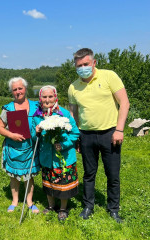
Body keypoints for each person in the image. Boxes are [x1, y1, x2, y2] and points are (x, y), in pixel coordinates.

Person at [68, 48, 130, 223]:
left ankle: (113, 209)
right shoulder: (73, 87)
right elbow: (74, 115)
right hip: (86, 135)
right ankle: (88, 206)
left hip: (110, 133)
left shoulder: (109, 76)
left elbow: (124, 102)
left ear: (94, 63)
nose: (82, 68)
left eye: (86, 64)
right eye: (79, 65)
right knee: (89, 174)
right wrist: (75, 137)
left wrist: (119, 129)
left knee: (113, 174)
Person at [33, 85, 80, 221]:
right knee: (48, 181)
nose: (47, 100)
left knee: (64, 183)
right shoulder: (37, 116)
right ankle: (51, 205)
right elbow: (33, 137)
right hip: (47, 156)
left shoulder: (63, 114)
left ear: (55, 97)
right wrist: (36, 132)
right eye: (44, 97)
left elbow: (75, 132)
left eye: (50, 96)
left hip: (64, 157)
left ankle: (63, 208)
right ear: (40, 98)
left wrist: (63, 145)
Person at [0, 77, 41, 213]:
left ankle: (29, 202)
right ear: (12, 92)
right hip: (13, 148)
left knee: (29, 176)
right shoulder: (8, 108)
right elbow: (0, 127)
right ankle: (15, 201)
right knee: (14, 177)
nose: (18, 91)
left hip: (30, 147)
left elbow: (44, 121)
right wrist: (11, 135)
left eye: (20, 88)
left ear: (25, 89)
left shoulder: (36, 106)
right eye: (14, 89)